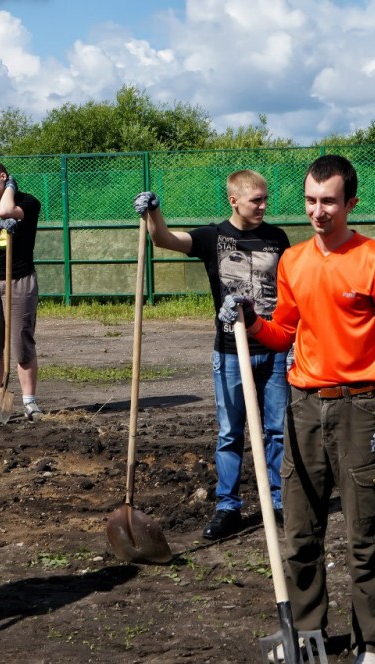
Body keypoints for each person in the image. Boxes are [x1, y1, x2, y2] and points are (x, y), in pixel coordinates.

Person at [218, 155, 375, 664]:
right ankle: (305, 638)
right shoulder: (295, 261)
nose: (318, 211)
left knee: (364, 539)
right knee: (300, 535)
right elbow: (282, 331)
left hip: (362, 410)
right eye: (310, 200)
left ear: (350, 203)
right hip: (303, 408)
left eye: (328, 201)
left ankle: (371, 643)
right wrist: (247, 316)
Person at [134, 170, 291, 541]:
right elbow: (163, 239)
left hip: (272, 347)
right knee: (229, 433)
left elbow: (289, 290)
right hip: (230, 352)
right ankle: (228, 507)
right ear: (234, 200)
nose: (264, 206)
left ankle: (279, 501)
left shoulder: (277, 238)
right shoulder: (212, 236)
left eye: (266, 198)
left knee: (276, 431)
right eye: (257, 200)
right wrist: (154, 213)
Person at [0, 159, 43, 423]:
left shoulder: (29, 203)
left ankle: (29, 402)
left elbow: (6, 210)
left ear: (3, 177)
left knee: (22, 343)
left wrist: (9, 192)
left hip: (20, 279)